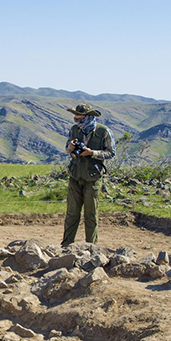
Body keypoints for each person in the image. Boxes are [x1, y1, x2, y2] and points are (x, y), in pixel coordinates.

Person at [61, 103, 116, 246]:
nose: (77, 118)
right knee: (72, 213)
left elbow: (111, 153)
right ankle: (67, 244)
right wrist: (71, 148)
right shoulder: (74, 130)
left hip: (93, 177)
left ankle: (91, 246)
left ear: (89, 116)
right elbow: (67, 148)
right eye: (76, 115)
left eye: (80, 116)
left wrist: (92, 153)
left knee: (91, 214)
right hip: (75, 175)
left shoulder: (104, 132)